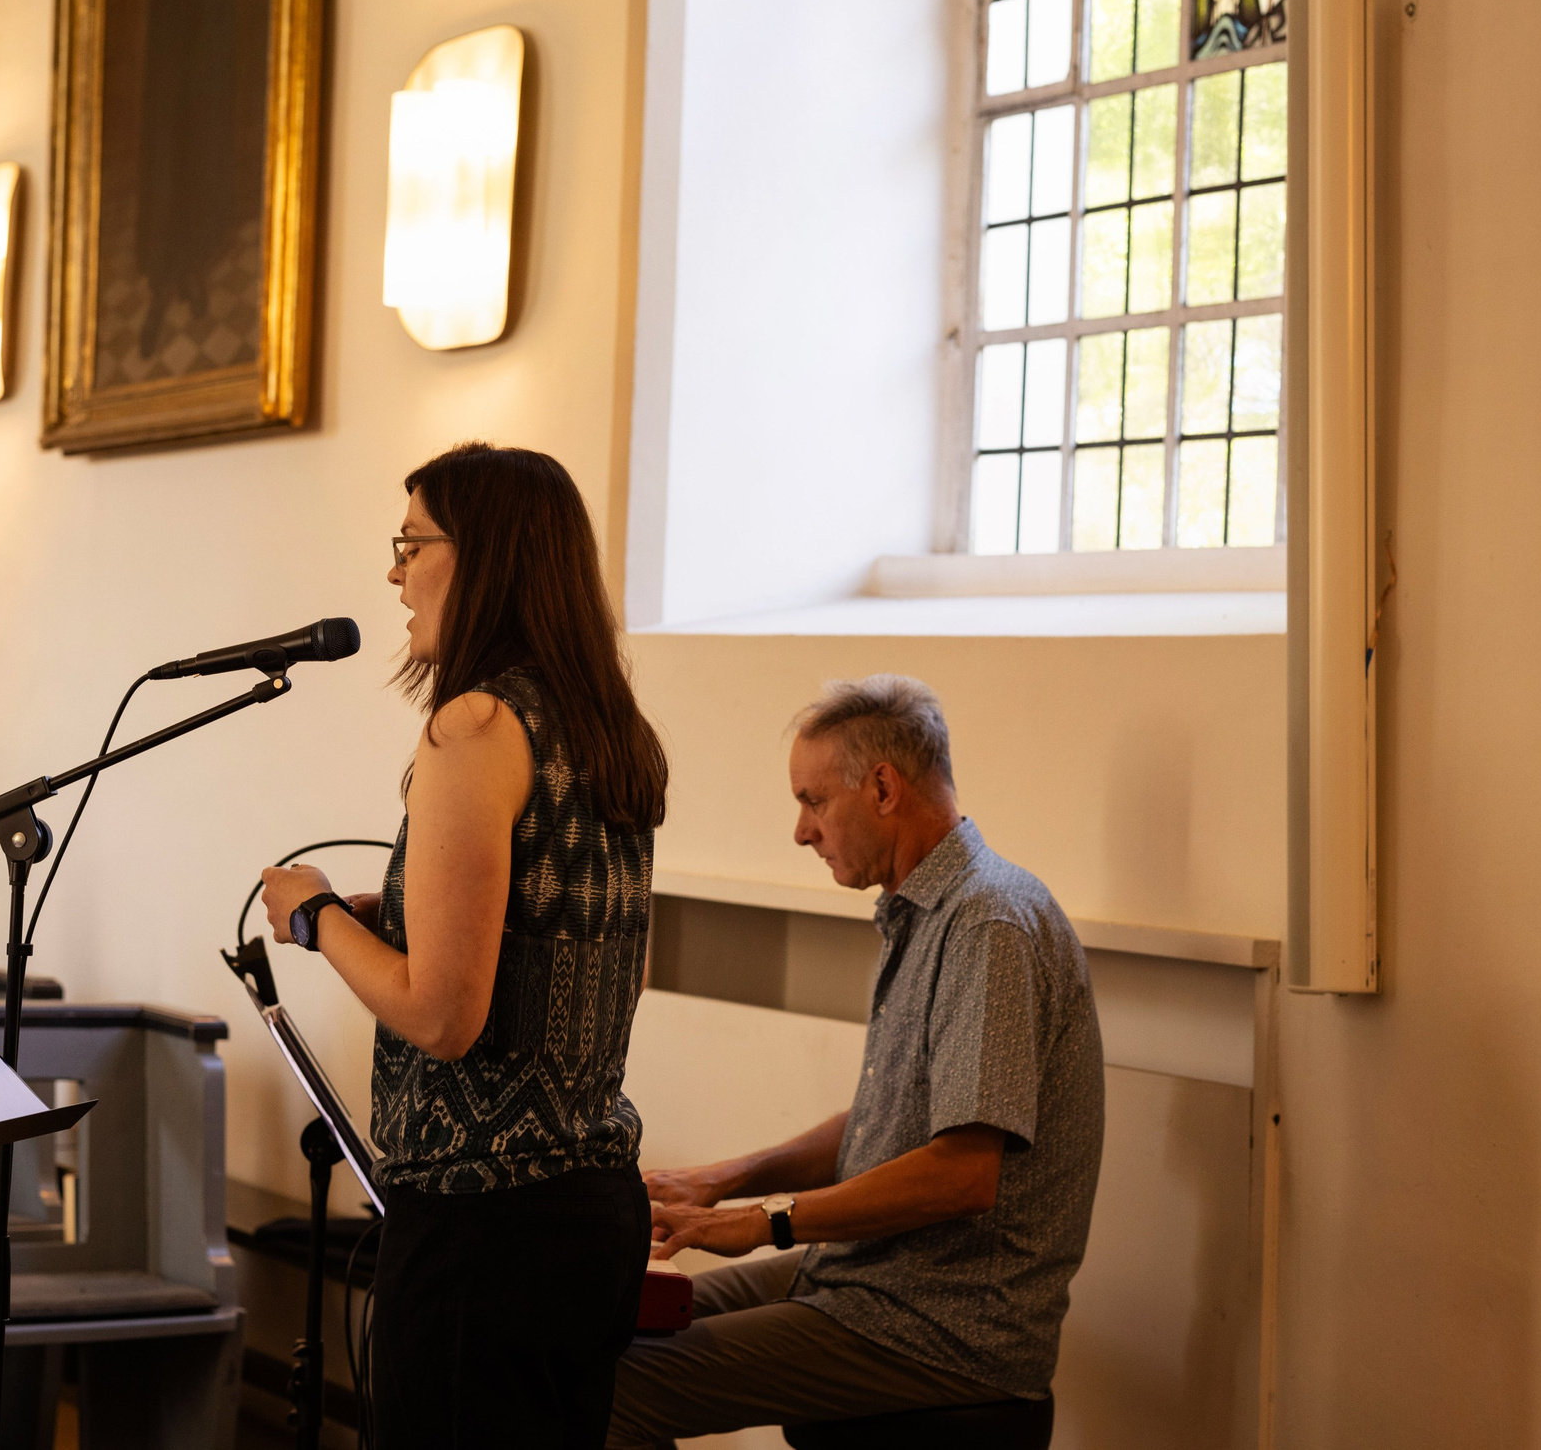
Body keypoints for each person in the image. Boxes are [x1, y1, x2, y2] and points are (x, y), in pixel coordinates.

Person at [259, 442, 668, 1448]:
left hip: (484, 1223)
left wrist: (316, 916)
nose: (393, 573)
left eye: (411, 543)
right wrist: (392, 915)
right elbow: (589, 954)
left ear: (485, 554)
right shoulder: (604, 724)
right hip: (589, 1211)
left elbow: (444, 1017)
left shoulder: (474, 725)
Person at [606, 676, 1104, 1447]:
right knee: (600, 1329)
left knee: (606, 1392)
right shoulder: (927, 911)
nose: (801, 831)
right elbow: (889, 1125)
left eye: (812, 800)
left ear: (881, 787)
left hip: (945, 1324)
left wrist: (765, 1220)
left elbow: (961, 1172)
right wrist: (724, 1180)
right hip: (875, 1277)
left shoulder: (988, 924)